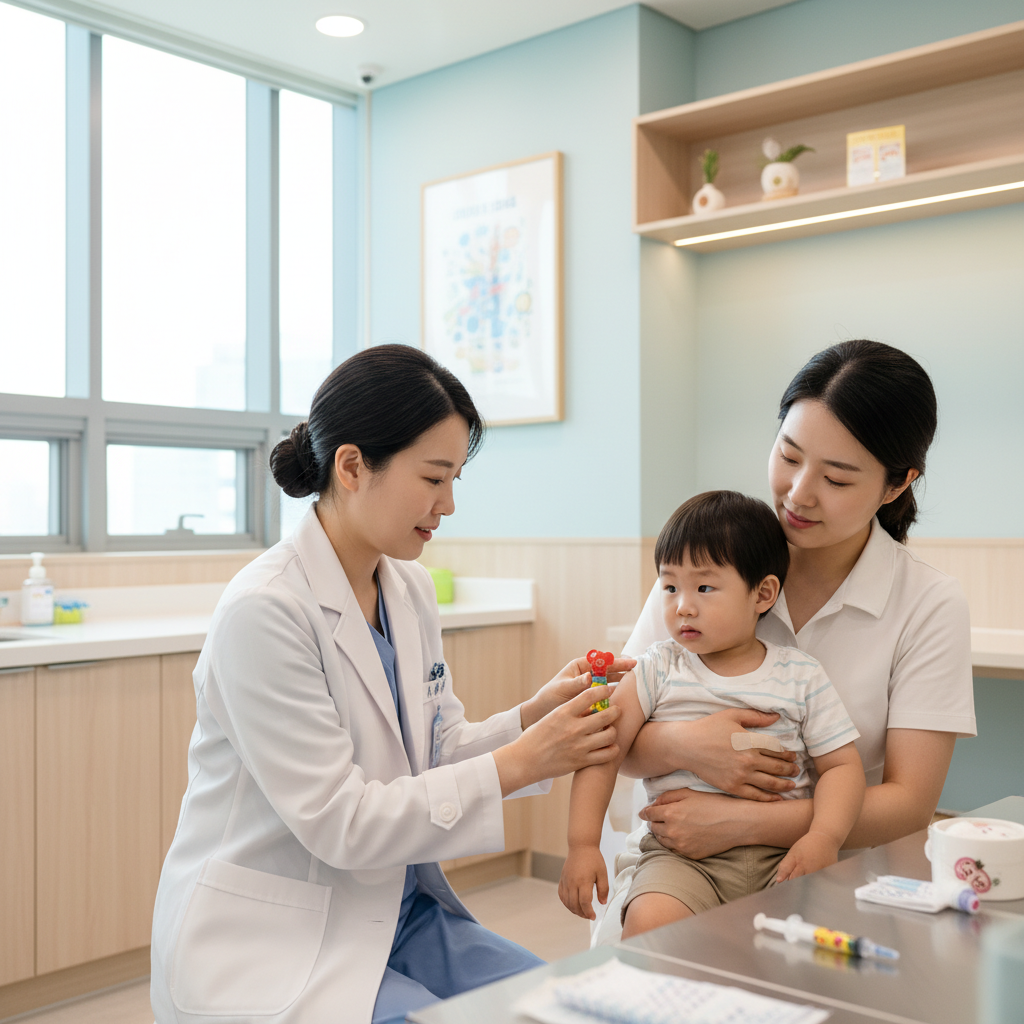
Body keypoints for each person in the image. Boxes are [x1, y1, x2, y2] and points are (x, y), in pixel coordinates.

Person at [150, 345, 630, 1024]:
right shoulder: (265, 610)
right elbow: (342, 822)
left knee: (573, 1010)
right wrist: (524, 758)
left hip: (397, 915)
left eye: (456, 478)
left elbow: (431, 755)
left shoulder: (404, 586)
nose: (450, 504)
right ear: (351, 466)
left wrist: (532, 719)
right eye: (435, 478)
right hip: (278, 939)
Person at [594, 339, 977, 944]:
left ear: (896, 484)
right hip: (675, 865)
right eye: (789, 455)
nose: (799, 492)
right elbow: (619, 736)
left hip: (821, 875)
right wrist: (687, 744)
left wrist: (746, 822)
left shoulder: (928, 604)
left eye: (837, 477)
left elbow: (907, 803)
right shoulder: (708, 565)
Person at [559, 491, 865, 937]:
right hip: (681, 859)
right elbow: (603, 749)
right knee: (651, 924)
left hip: (781, 853)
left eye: (704, 587)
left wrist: (824, 837)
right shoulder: (657, 667)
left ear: (762, 593)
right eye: (669, 587)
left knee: (813, 952)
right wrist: (582, 843)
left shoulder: (799, 674)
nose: (682, 605)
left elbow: (842, 765)